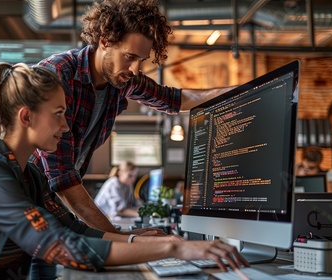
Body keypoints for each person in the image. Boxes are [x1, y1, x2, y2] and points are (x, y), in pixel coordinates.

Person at [0, 61, 249, 279]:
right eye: (58, 114)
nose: (66, 126)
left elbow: (73, 228)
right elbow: (57, 244)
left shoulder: (27, 172)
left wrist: (135, 238)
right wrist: (176, 249)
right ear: (26, 117)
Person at [31, 0, 236, 237]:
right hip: (23, 196)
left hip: (51, 203)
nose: (135, 69)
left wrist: (247, 90)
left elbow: (176, 99)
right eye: (129, 56)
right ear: (105, 41)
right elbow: (61, 176)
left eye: (141, 60)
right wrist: (123, 239)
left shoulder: (120, 81)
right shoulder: (59, 75)